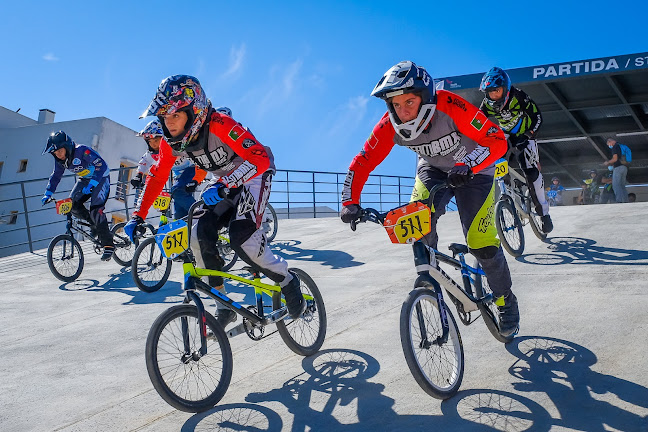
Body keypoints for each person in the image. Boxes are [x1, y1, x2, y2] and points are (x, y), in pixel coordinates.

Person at [340, 61, 519, 337]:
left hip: (475, 169)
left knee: (481, 243)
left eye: (409, 101)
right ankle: (431, 279)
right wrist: (349, 201)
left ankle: (505, 299)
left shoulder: (451, 106)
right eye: (396, 105)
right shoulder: (390, 125)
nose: (404, 111)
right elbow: (363, 161)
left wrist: (470, 164)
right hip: (433, 169)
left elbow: (496, 140)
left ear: (425, 96)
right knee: (419, 228)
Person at [123, 75, 305, 326]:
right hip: (222, 181)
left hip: (254, 174)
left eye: (175, 115)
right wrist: (137, 215)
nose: (169, 123)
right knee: (198, 232)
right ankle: (223, 303)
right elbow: (156, 177)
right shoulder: (170, 142)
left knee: (244, 240)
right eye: (164, 116)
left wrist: (226, 183)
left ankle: (287, 280)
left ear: (193, 109)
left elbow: (260, 158)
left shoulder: (220, 123)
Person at [479, 67, 553, 233]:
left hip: (525, 136)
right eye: (489, 92)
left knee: (532, 174)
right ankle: (507, 197)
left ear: (505, 88)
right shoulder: (486, 104)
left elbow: (537, 116)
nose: (493, 96)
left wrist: (529, 135)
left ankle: (544, 214)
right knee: (495, 166)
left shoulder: (519, 96)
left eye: (496, 91)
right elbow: (478, 124)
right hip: (504, 136)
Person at [41, 131, 115, 260]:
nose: (57, 154)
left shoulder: (82, 151)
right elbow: (56, 176)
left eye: (59, 150)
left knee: (96, 209)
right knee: (72, 205)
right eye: (55, 153)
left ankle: (109, 245)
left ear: (67, 146)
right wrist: (48, 193)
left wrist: (92, 184)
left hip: (101, 178)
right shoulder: (60, 161)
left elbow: (101, 166)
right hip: (85, 180)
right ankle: (94, 225)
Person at [131, 120, 208, 219]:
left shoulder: (175, 145)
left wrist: (197, 179)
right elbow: (144, 161)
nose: (153, 145)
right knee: (178, 208)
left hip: (193, 169)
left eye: (156, 140)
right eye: (150, 142)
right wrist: (138, 175)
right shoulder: (152, 153)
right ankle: (184, 223)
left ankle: (199, 212)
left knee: (177, 190)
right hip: (179, 175)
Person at [603, 138, 628, 203]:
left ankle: (619, 201)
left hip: (618, 168)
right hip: (624, 167)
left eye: (608, 144)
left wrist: (608, 162)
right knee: (622, 185)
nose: (609, 146)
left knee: (616, 185)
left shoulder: (615, 147)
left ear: (610, 141)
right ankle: (625, 200)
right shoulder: (621, 146)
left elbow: (615, 159)